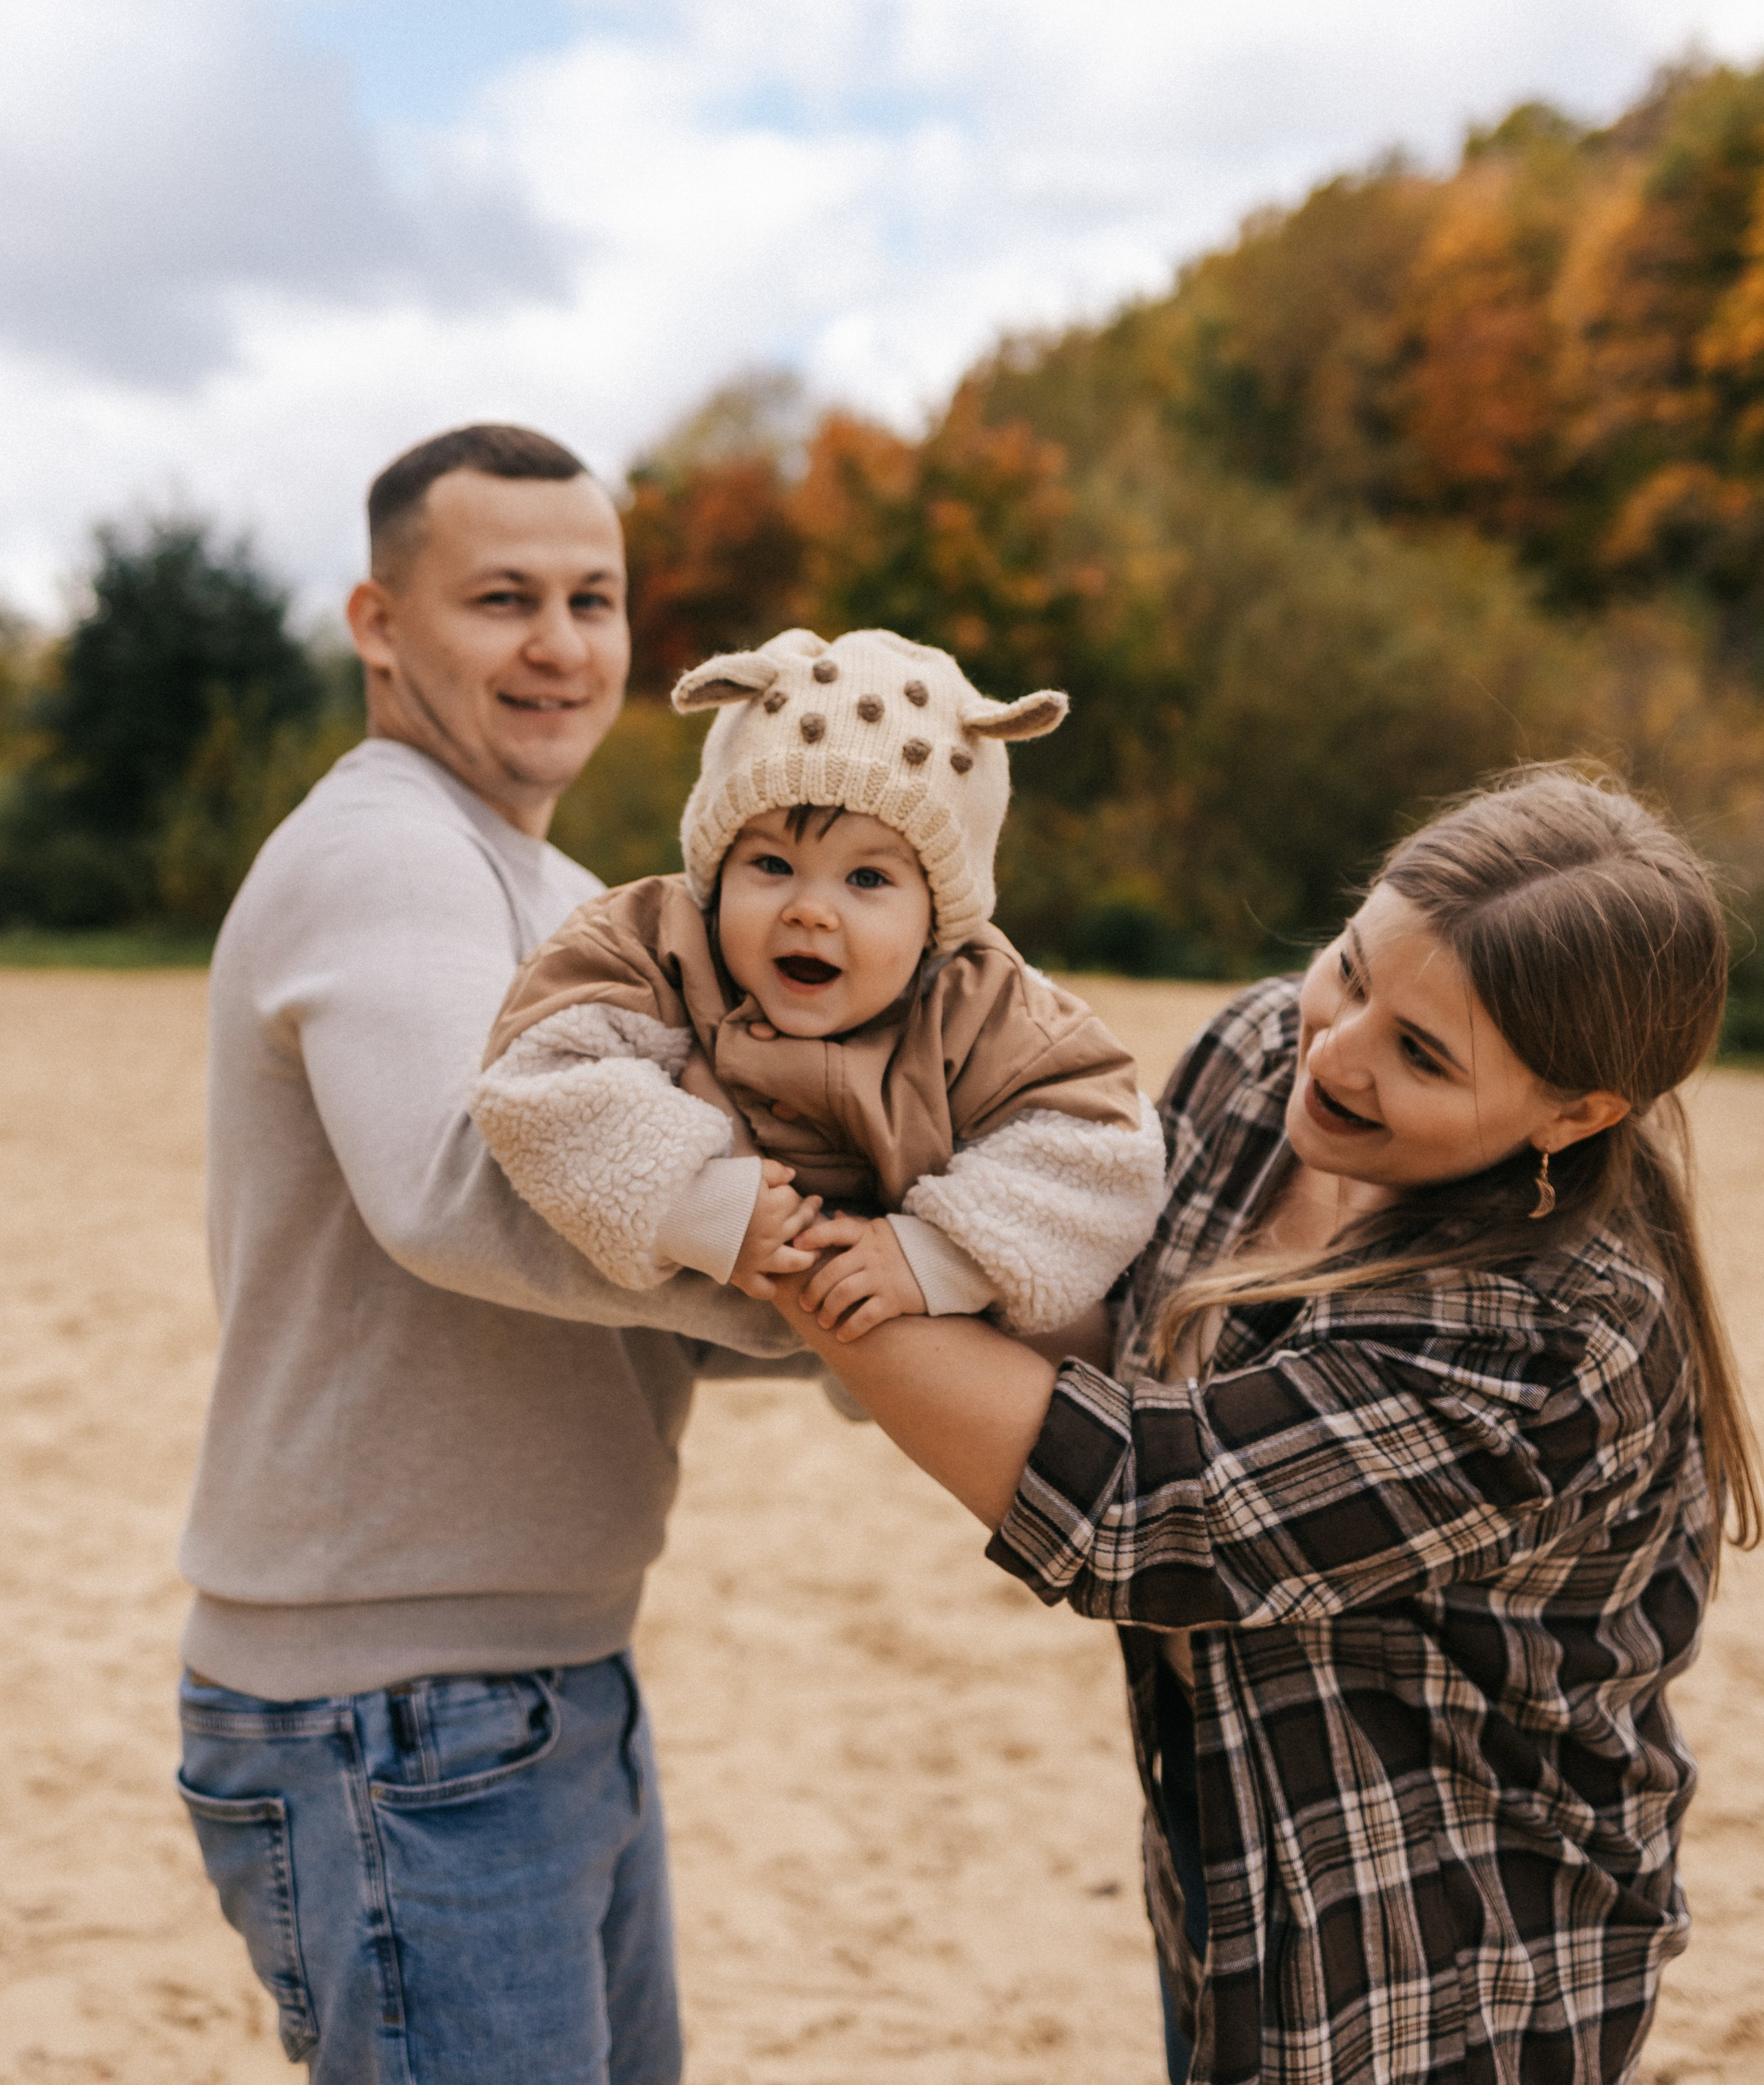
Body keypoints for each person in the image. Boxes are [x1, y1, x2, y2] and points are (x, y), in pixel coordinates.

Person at [770, 768, 1762, 2084]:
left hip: (1454, 1951)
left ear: (1576, 1116)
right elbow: (1115, 1322)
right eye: (1350, 970)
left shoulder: (1553, 1330)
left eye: (1422, 1054)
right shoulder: (1257, 1062)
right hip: (1237, 1859)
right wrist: (900, 1228)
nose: (1337, 1050)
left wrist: (790, 1257)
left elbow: (1149, 1508)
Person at [176, 424, 811, 2085]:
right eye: (503, 596)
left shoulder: (548, 890)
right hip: (397, 1709)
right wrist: (820, 1260)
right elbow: (471, 1194)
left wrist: (910, 1292)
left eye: (591, 597)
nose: (559, 642)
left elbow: (643, 1290)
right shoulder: (388, 848)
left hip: (530, 1677)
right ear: (378, 621)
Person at [471, 626, 1165, 1339]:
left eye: (867, 878)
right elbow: (538, 1073)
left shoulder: (982, 1006)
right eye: (770, 864)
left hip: (899, 1350)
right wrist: (700, 1201)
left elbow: (1105, 1159)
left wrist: (939, 1256)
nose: (809, 909)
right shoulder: (653, 943)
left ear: (937, 916)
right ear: (715, 870)